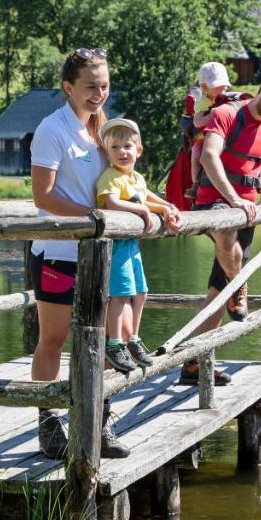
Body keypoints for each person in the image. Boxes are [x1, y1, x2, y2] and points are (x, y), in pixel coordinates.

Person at [27, 47, 129, 461]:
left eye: (104, 86)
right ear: (68, 87)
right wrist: (95, 215)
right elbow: (43, 195)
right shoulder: (52, 130)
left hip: (98, 253)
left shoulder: (102, 128)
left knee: (104, 340)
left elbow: (122, 184)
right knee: (54, 338)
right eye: (90, 87)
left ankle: (98, 421)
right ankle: (49, 423)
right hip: (57, 253)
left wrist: (156, 206)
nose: (98, 94)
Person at [178, 64, 261, 387]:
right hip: (216, 200)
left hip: (248, 206)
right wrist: (233, 199)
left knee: (217, 291)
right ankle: (241, 283)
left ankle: (194, 362)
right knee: (226, 234)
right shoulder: (227, 114)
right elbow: (209, 157)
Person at [95, 116, 182, 373]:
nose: (122, 152)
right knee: (120, 295)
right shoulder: (110, 177)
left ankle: (133, 338)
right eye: (115, 147)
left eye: (127, 146)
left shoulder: (136, 179)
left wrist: (167, 209)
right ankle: (115, 342)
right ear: (106, 152)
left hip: (132, 246)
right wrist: (143, 210)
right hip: (117, 247)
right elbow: (112, 203)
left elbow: (150, 199)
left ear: (138, 150)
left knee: (141, 291)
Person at [186, 61, 231, 201]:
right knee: (196, 155)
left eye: (224, 86)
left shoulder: (228, 98)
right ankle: (196, 184)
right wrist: (215, 113)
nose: (222, 90)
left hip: (223, 135)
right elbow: (197, 121)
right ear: (205, 87)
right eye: (218, 87)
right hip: (203, 137)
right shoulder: (203, 102)